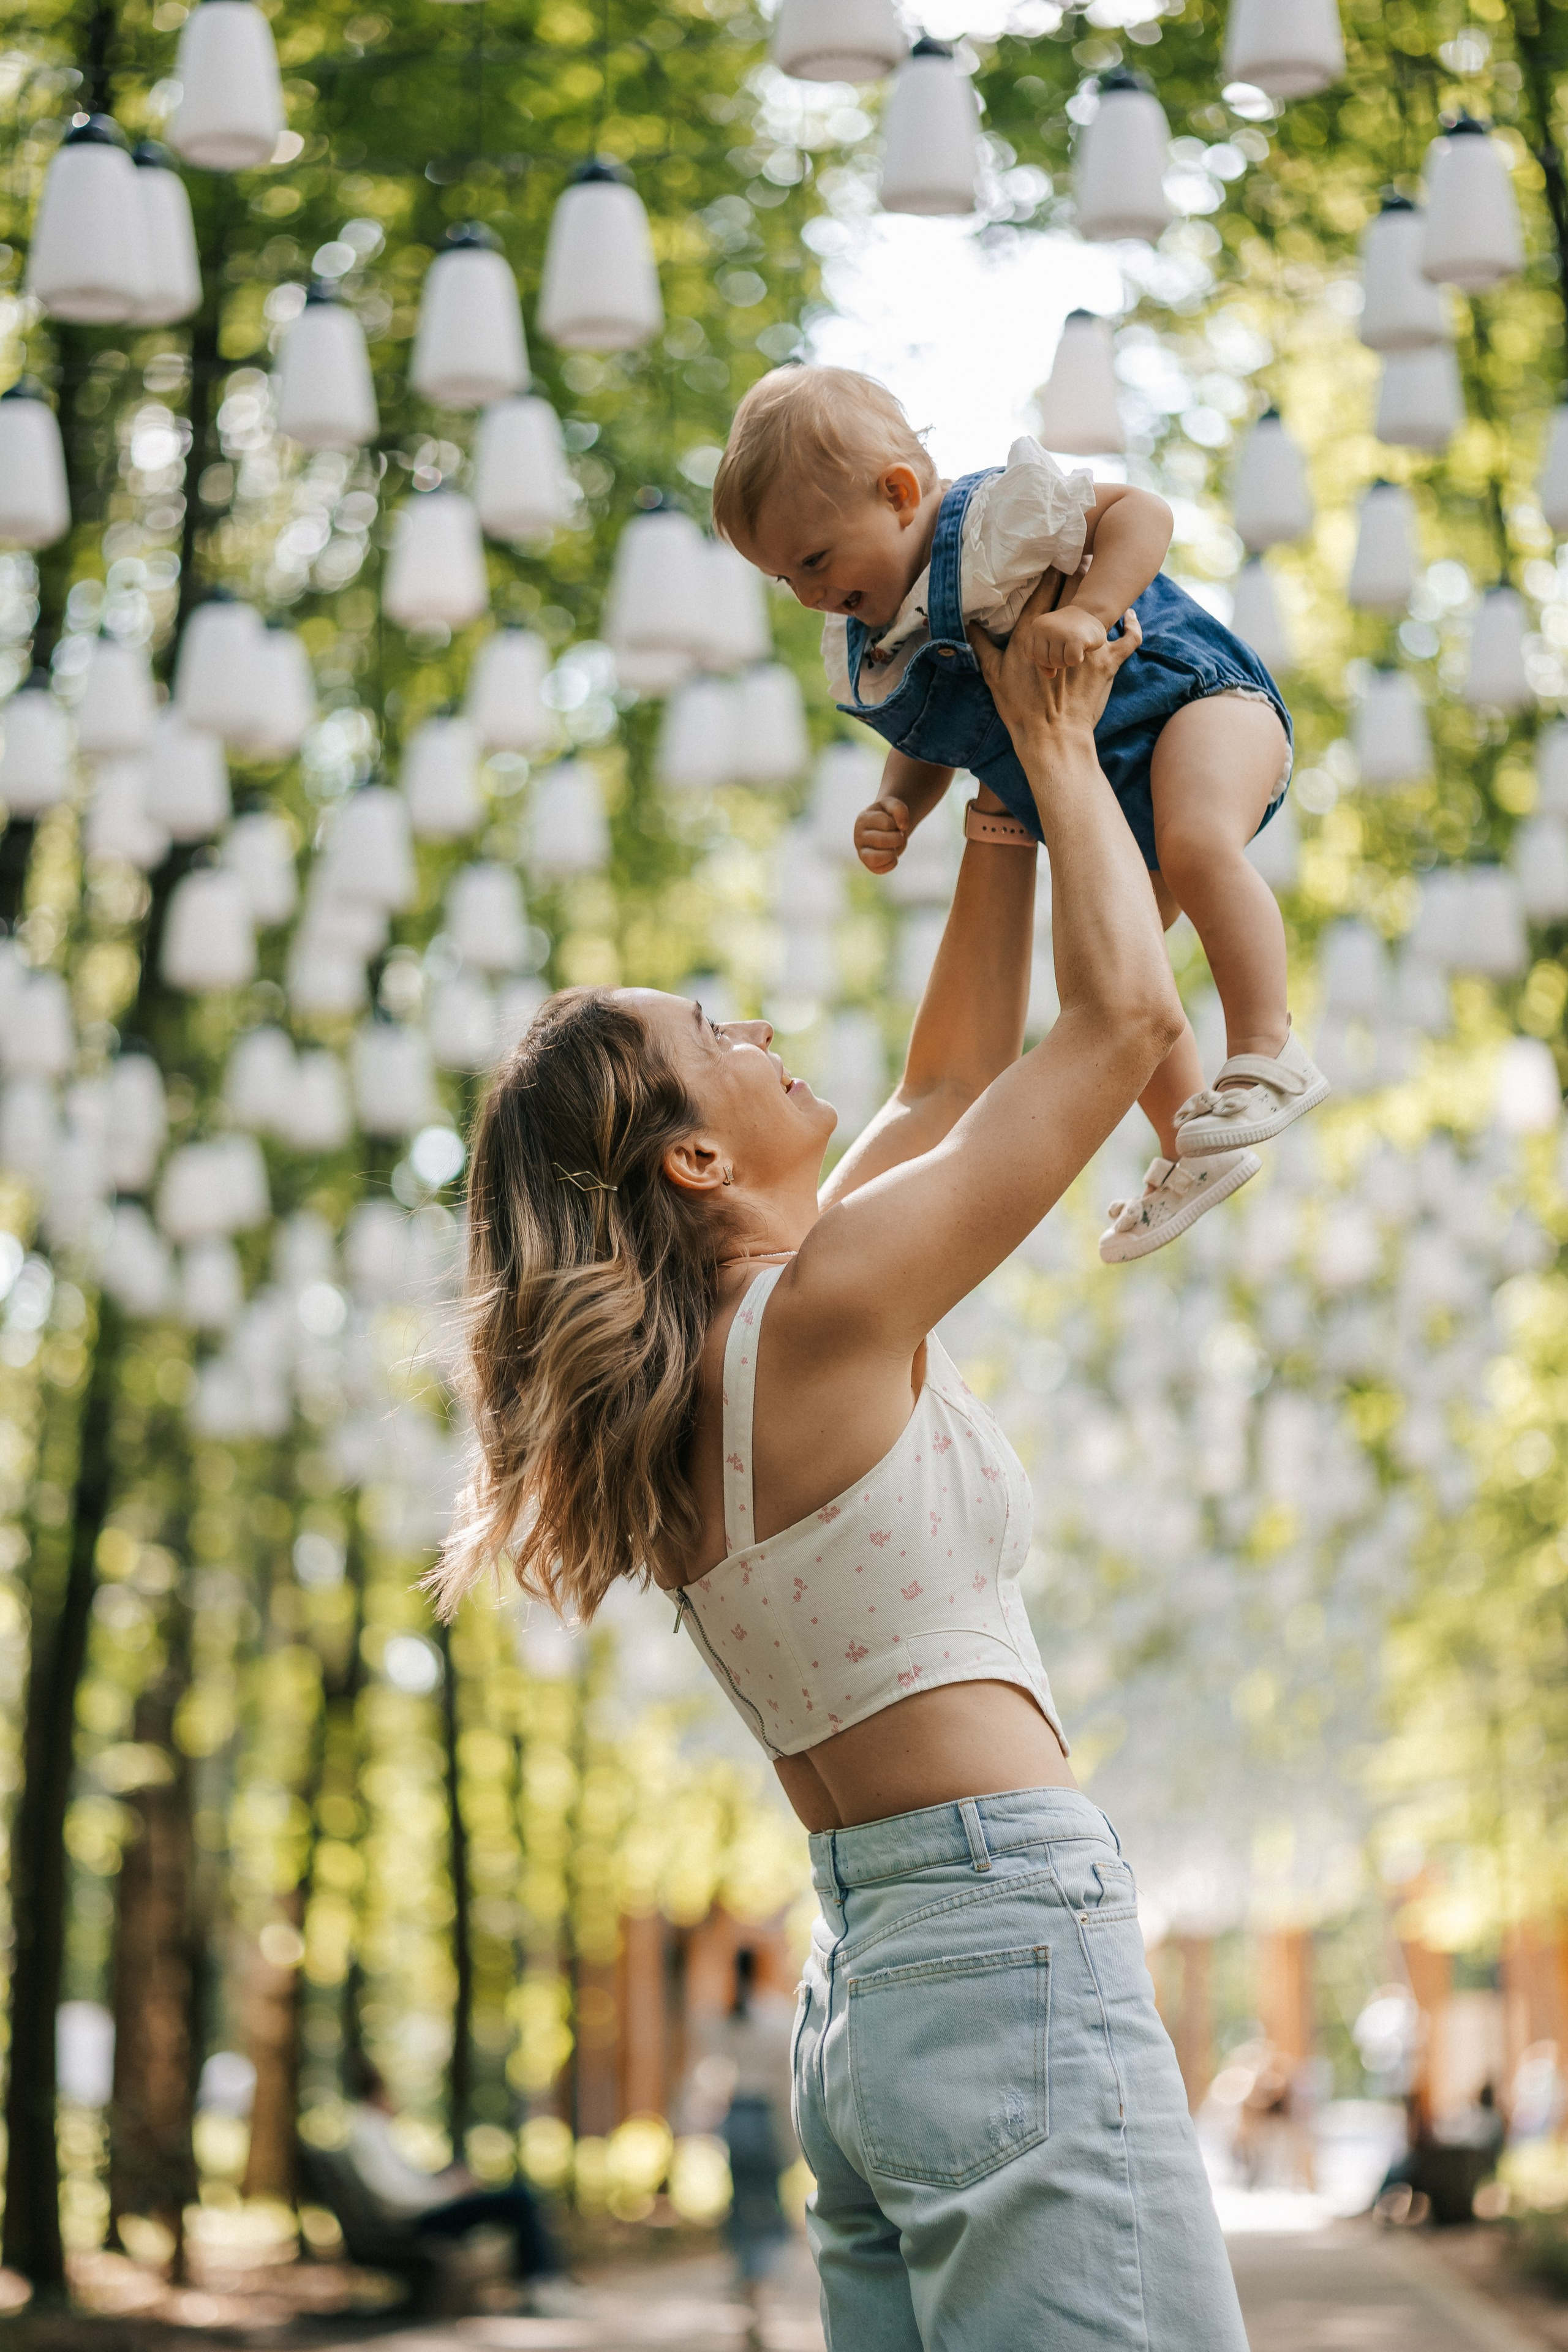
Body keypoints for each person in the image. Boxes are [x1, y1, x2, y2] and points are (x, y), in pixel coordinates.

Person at [431, 594, 1250, 2349]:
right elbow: (1110, 1032)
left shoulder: (724, 1372)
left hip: (879, 1984)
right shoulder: (811, 1322)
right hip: (998, 1928)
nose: (753, 1022)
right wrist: (1054, 728)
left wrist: (1001, 795)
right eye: (710, 1030)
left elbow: (952, 1073)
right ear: (698, 1157)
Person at [710, 363, 1328, 1264]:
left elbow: (1138, 513)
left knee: (1197, 845)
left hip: (1194, 707)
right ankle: (1192, 1143)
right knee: (1120, 980)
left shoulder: (996, 520)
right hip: (1106, 791)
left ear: (898, 493)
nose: (807, 594)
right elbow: (930, 729)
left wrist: (1091, 609)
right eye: (781, 579)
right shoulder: (879, 635)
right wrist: (897, 804)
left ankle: (1267, 1046)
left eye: (814, 560)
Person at [342, 2061, 561, 2299]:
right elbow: (396, 2197)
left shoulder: (375, 2130)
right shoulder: (367, 2132)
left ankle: (540, 2281)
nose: (397, 2100)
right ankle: (541, 2285)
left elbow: (404, 2185)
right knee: (519, 2199)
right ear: (378, 2091)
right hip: (415, 2221)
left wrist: (447, 2181)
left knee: (516, 2198)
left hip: (421, 2212)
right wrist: (451, 2190)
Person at [706, 1947, 797, 2312]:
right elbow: (786, 2078)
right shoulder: (776, 2015)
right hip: (764, 2115)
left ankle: (746, 2274)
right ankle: (762, 2277)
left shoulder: (725, 2017)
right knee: (769, 2198)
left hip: (735, 2117)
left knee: (740, 2201)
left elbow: (710, 2073)